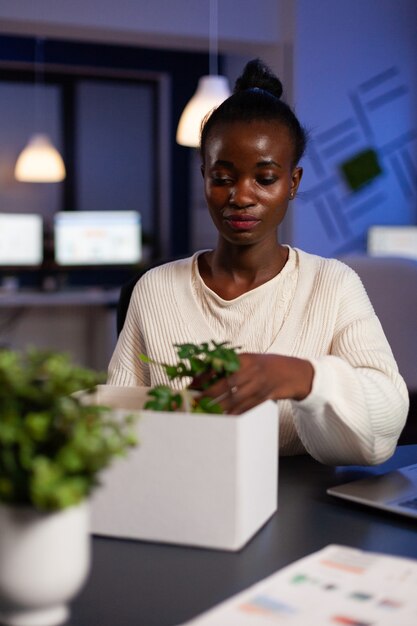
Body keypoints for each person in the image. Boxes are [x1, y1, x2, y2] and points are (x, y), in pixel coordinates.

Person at [108, 58, 408, 465]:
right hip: (186, 498)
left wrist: (300, 377)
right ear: (205, 177)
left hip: (307, 509)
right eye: (223, 178)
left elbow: (385, 423)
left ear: (293, 182)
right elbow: (117, 421)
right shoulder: (155, 289)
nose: (241, 197)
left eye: (265, 178)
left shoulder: (333, 284)